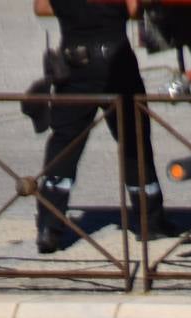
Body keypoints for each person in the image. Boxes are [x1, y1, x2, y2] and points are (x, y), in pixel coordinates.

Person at [31, 0, 177, 253]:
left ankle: (49, 228)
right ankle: (149, 221)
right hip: (116, 60)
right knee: (134, 140)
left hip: (73, 61)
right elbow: (133, 9)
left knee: (64, 143)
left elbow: (41, 7)